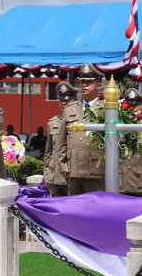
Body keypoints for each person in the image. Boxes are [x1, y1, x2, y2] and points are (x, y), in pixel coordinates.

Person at [57, 63, 105, 195]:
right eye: (82, 81)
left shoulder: (106, 109)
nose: (84, 85)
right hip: (74, 170)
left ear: (99, 86)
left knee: (97, 211)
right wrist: (63, 167)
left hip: (97, 172)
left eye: (89, 82)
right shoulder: (70, 109)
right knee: (75, 211)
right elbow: (61, 142)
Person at [44, 82, 78, 196]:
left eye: (67, 99)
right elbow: (48, 151)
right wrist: (46, 174)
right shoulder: (52, 122)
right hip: (55, 176)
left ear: (75, 100)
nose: (63, 102)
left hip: (71, 175)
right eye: (61, 99)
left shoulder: (80, 122)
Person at [119, 88, 142, 197]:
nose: (132, 108)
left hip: (139, 182)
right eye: (130, 105)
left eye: (136, 105)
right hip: (121, 181)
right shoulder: (118, 124)